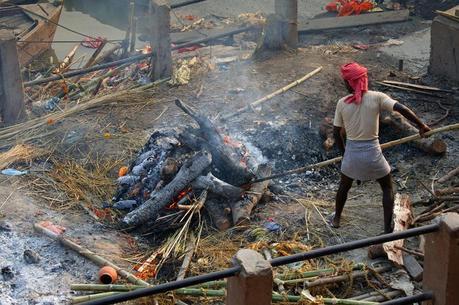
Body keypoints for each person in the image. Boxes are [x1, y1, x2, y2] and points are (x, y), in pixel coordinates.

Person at [330, 62, 431, 233]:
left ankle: (337, 219)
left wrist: (344, 154)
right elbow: (401, 109)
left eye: (345, 81)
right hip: (372, 153)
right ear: (364, 81)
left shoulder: (342, 103)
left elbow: (336, 132)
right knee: (386, 187)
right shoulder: (377, 97)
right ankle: (386, 229)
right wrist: (421, 126)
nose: (344, 84)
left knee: (344, 187)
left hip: (352, 154)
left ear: (349, 83)